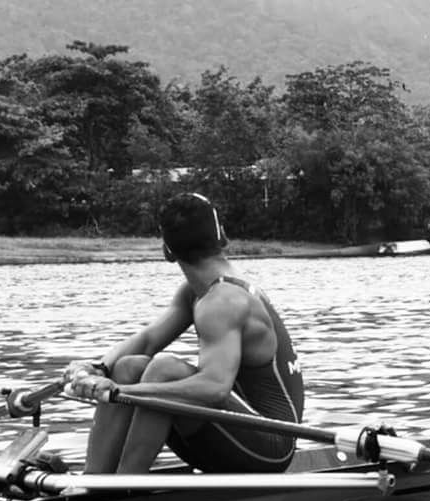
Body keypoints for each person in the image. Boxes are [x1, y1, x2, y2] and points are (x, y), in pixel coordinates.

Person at [64, 192, 304, 474]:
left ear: (167, 251)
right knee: (128, 365)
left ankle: (125, 485)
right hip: (238, 432)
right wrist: (98, 368)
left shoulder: (224, 301)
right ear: (223, 237)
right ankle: (94, 484)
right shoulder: (198, 292)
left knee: (165, 369)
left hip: (271, 446)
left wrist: (121, 392)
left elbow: (214, 387)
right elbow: (148, 340)